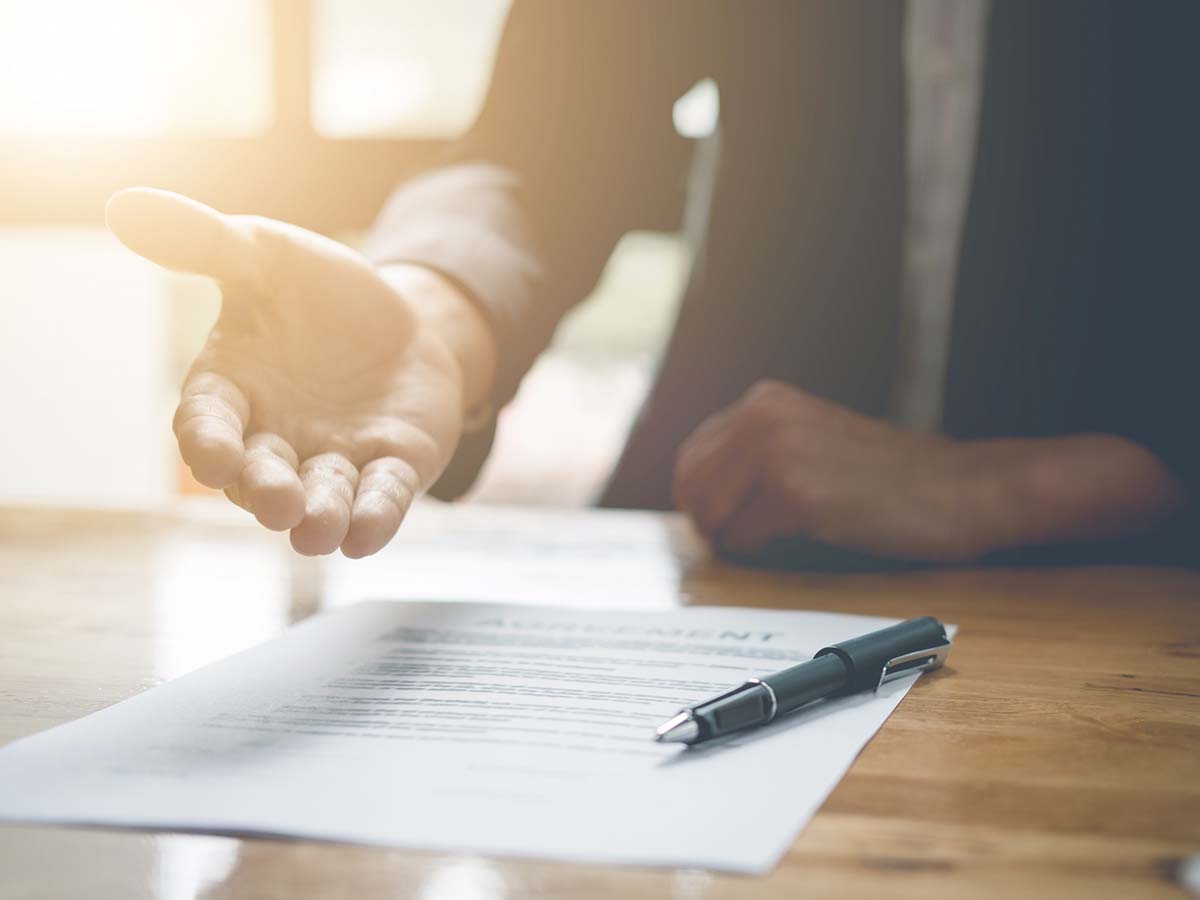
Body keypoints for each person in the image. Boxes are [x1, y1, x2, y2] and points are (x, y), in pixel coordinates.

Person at [105, 1, 1197, 568]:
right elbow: (545, 139)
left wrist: (1004, 488)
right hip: (716, 547)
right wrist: (430, 315)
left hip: (1139, 598)